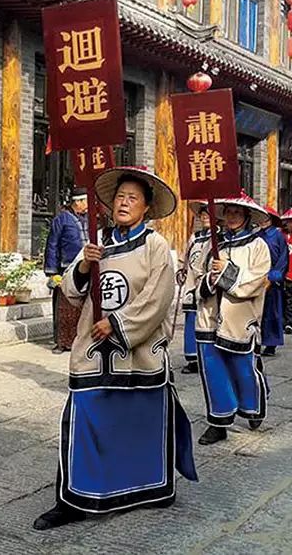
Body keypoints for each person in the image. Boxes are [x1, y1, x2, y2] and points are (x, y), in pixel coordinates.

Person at [33, 167, 197, 530]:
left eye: (132, 198)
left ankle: (146, 489)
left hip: (137, 353)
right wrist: (85, 264)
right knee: (85, 420)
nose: (124, 202)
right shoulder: (97, 240)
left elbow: (159, 297)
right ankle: (73, 499)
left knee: (137, 424)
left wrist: (119, 323)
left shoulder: (155, 246)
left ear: (146, 208)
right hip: (93, 351)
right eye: (120, 196)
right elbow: (73, 293)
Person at [193, 192, 272, 445]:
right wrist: (209, 279)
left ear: (247, 216)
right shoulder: (211, 243)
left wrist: (226, 271)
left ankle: (252, 406)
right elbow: (198, 274)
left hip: (240, 317)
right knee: (213, 371)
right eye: (228, 212)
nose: (232, 216)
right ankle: (218, 421)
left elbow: (255, 280)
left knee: (242, 368)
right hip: (209, 316)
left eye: (238, 212)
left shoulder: (257, 246)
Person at [43, 188, 89, 354]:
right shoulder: (62, 219)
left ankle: (79, 341)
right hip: (65, 267)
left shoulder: (89, 219)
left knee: (82, 307)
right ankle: (61, 342)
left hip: (85, 266)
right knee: (63, 307)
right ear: (78, 202)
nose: (88, 205)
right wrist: (52, 271)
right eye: (85, 201)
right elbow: (52, 245)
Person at [180, 202, 213, 373]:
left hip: (208, 287)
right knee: (191, 321)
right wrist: (182, 271)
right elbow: (184, 260)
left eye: (208, 213)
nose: (205, 216)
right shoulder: (195, 237)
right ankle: (192, 357)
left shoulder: (217, 237)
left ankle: (207, 356)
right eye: (202, 214)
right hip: (191, 285)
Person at [259, 206, 289, 357]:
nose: (263, 221)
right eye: (261, 218)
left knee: (272, 312)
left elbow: (283, 258)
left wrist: (274, 276)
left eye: (266, 218)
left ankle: (271, 344)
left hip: (272, 279)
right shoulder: (255, 235)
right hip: (256, 279)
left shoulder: (278, 236)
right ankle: (256, 341)